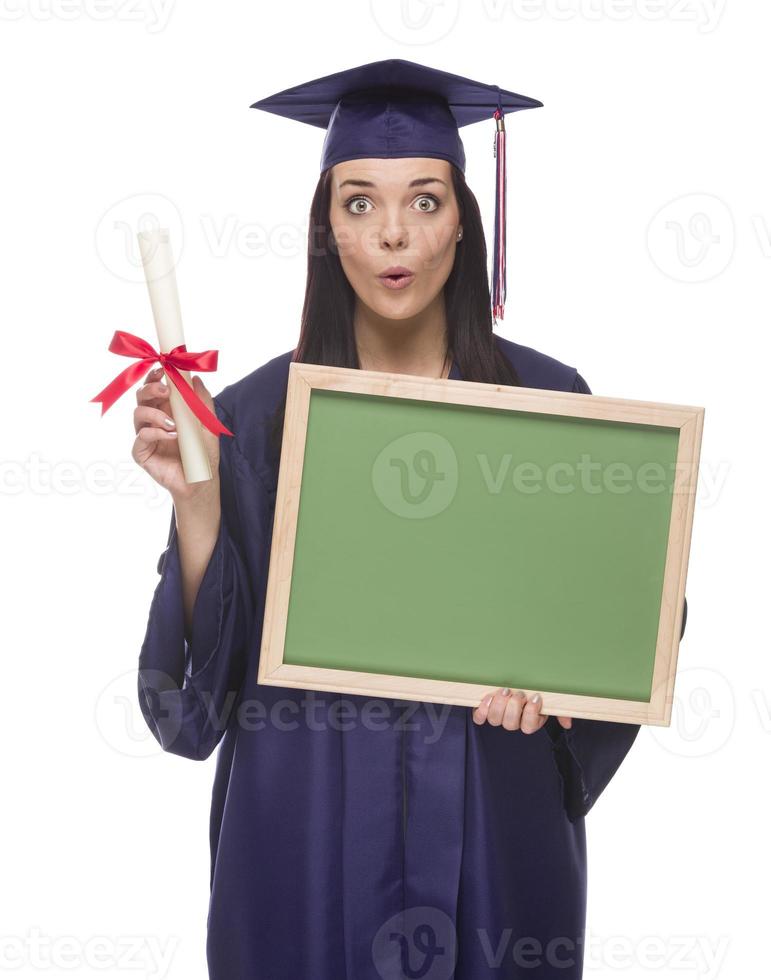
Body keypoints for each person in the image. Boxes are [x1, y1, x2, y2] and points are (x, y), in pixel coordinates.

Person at [133, 59, 688, 980]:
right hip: (299, 836)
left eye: (424, 201)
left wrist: (553, 703)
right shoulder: (254, 418)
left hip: (490, 829)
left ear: (465, 221)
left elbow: (627, 620)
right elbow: (191, 715)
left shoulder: (549, 402)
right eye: (358, 203)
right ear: (324, 228)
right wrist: (199, 507)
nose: (393, 233)